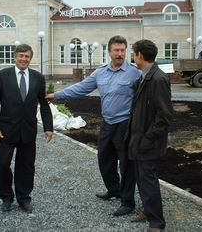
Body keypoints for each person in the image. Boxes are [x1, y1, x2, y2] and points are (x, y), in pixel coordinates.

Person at [46, 35, 141, 216]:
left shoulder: (135, 73)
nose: (120, 54)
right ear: (109, 51)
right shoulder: (100, 72)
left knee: (127, 164)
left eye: (122, 50)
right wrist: (56, 95)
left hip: (125, 125)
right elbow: (80, 88)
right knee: (105, 159)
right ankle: (114, 190)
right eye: (116, 50)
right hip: (107, 123)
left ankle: (128, 202)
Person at [0, 44, 53, 213]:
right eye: (21, 56)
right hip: (5, 130)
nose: (24, 59)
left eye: (27, 56)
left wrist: (48, 127)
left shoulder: (38, 77)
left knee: (26, 166)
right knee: (2, 165)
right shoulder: (2, 76)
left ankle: (24, 198)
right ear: (15, 57)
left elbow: (44, 105)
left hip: (28, 130)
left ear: (30, 58)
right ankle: (6, 197)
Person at [127, 39, 173, 232]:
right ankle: (148, 211)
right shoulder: (145, 76)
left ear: (140, 55)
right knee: (141, 178)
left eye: (133, 53)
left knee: (148, 180)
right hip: (140, 139)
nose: (133, 56)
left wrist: (147, 138)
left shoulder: (158, 79)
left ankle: (156, 223)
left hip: (149, 142)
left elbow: (164, 116)